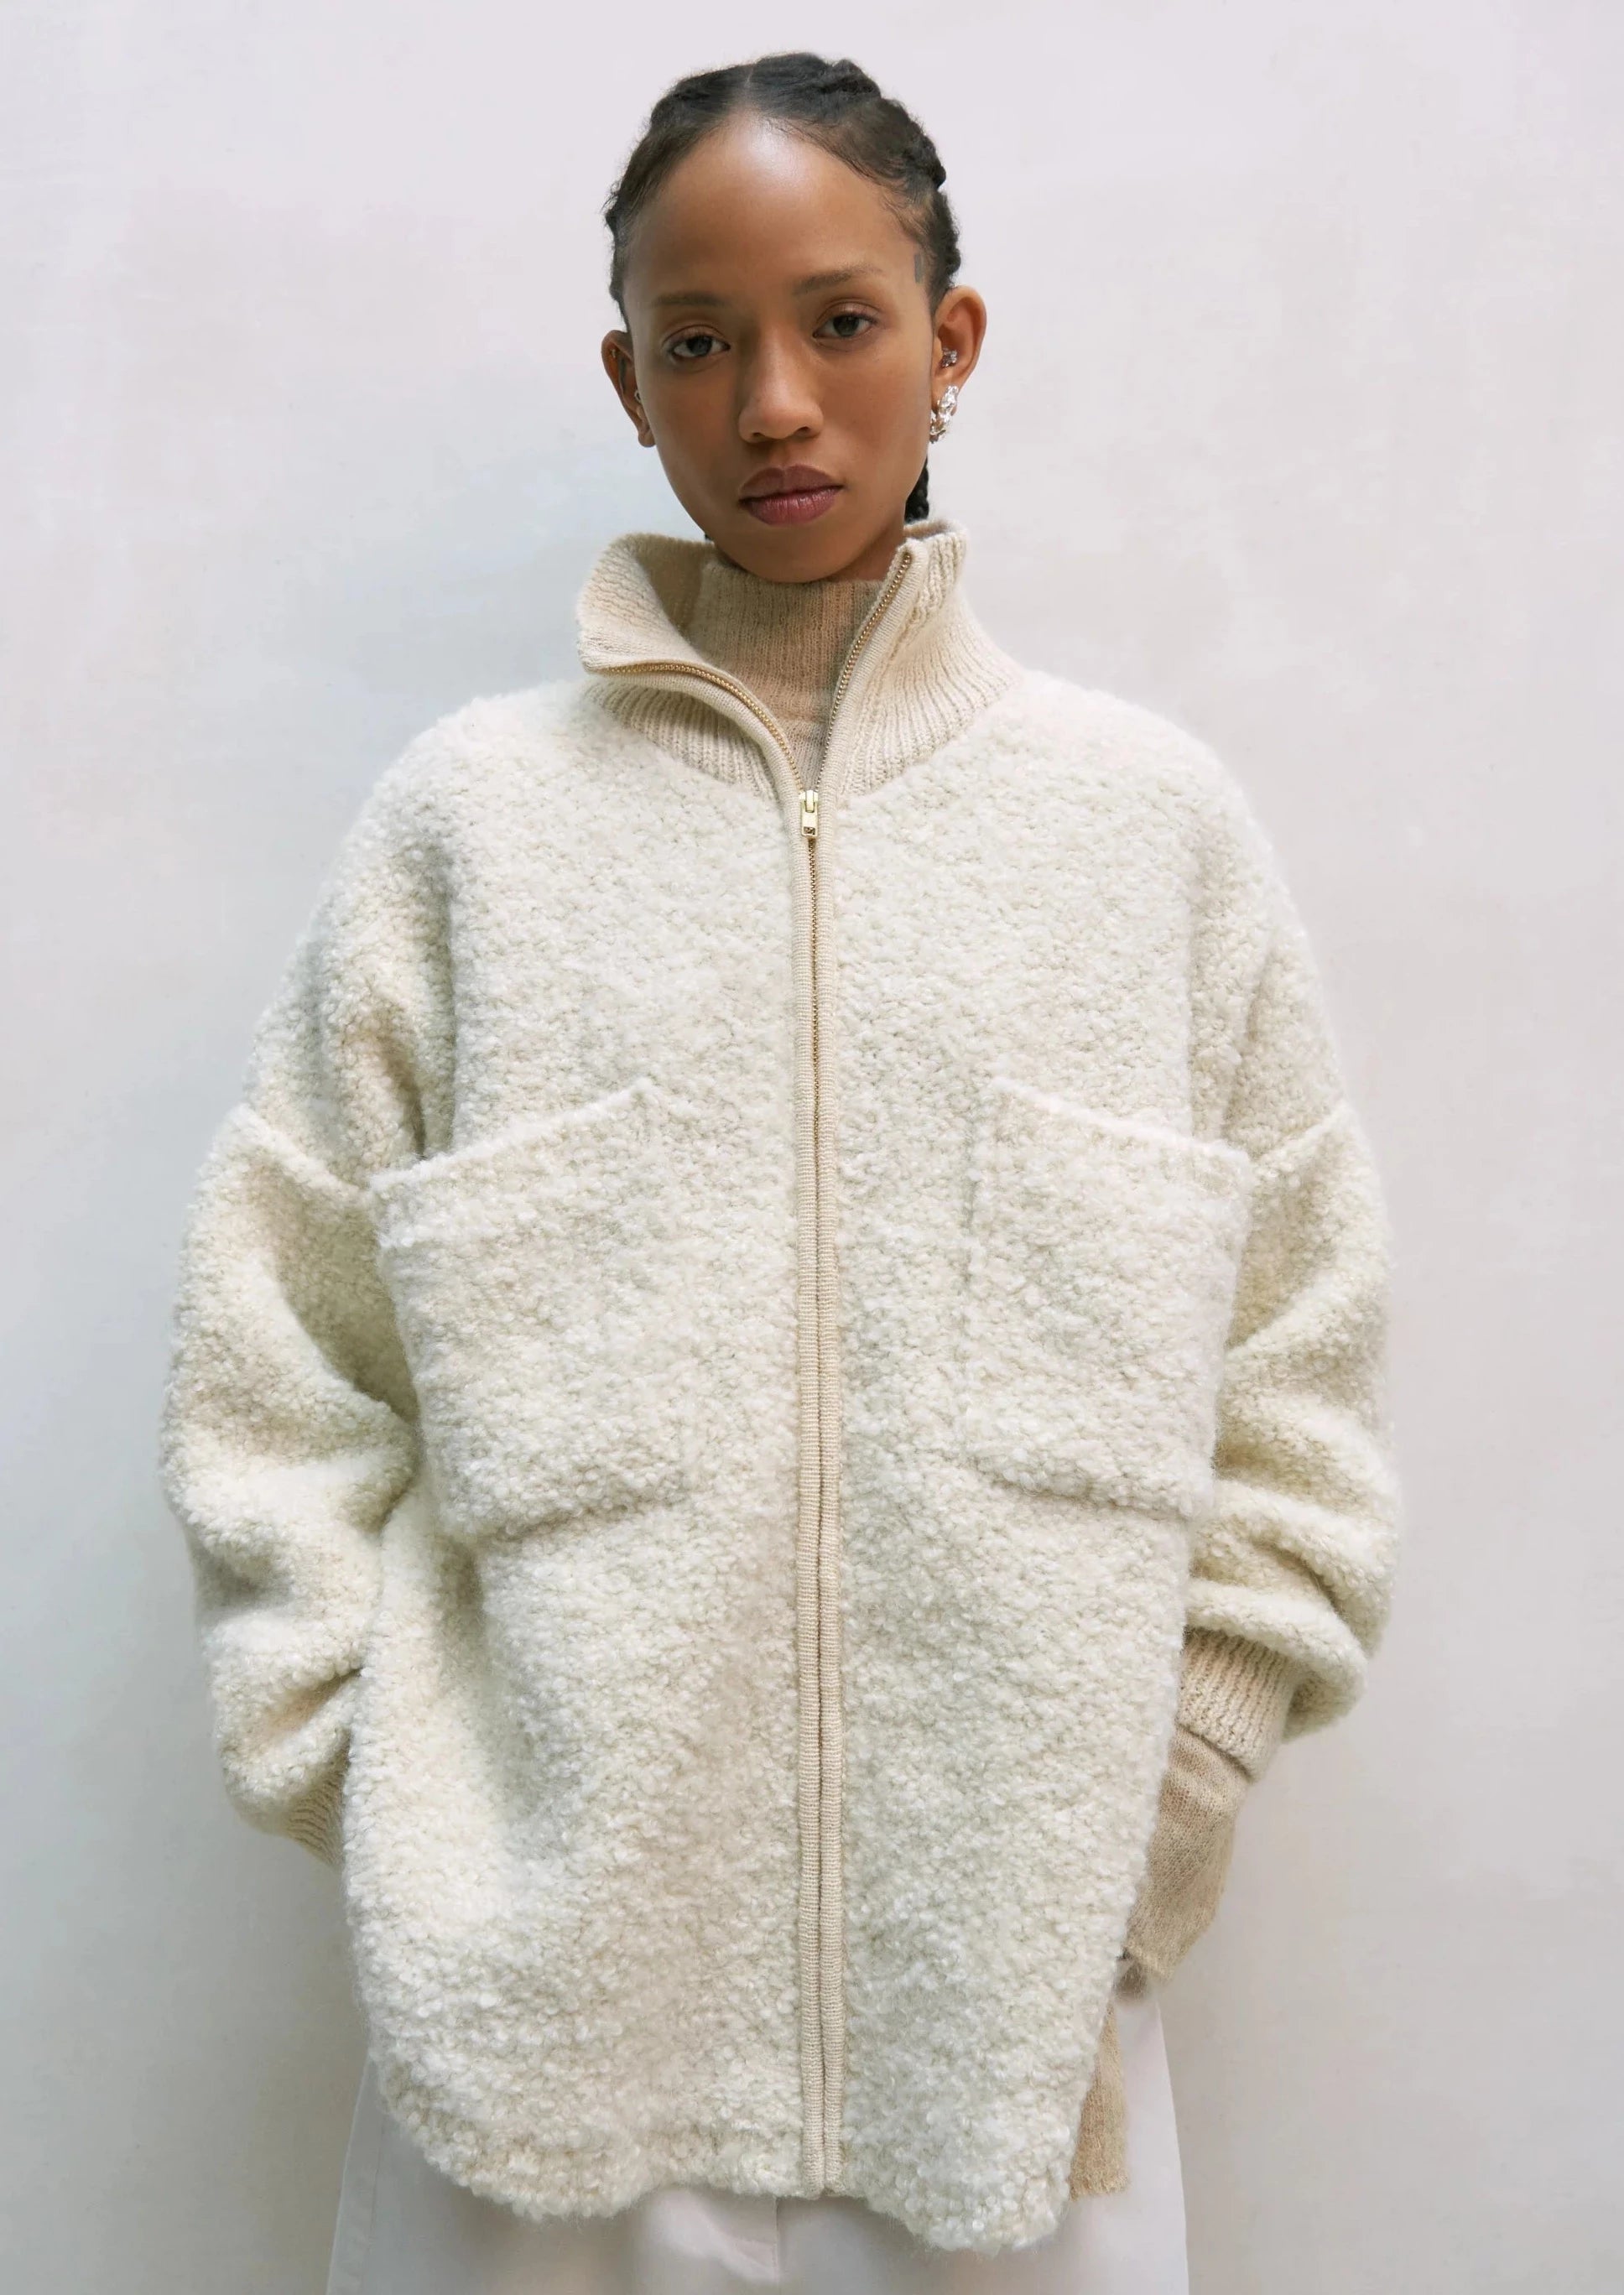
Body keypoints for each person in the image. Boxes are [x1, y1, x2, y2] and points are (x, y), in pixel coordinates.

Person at [158, 51, 1402, 2295]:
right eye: (700, 340)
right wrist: (388, 1800)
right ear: (628, 379)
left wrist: (1165, 1802)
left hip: (1013, 2054)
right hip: (540, 2079)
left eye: (841, 321)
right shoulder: (472, 835)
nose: (776, 405)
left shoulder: (1146, 839)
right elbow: (279, 1360)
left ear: (953, 336)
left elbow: (1297, 1377)